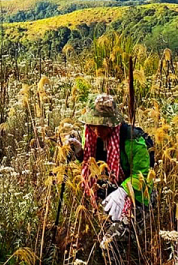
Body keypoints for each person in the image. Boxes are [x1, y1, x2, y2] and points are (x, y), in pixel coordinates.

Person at [65, 93, 152, 244]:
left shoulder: (132, 140)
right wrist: (80, 153)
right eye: (94, 125)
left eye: (103, 126)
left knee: (110, 243)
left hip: (136, 198)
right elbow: (93, 166)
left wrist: (123, 191)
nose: (98, 131)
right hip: (108, 194)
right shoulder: (92, 136)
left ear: (112, 124)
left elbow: (143, 175)